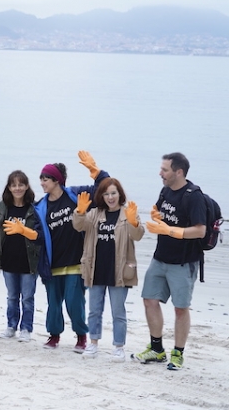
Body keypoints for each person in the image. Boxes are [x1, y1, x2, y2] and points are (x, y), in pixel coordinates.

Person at [29, 151, 110, 352]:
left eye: (45, 178)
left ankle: (81, 336)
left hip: (76, 261)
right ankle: (54, 336)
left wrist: (95, 170)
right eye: (41, 178)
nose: (42, 182)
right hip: (52, 263)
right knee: (54, 305)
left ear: (57, 180)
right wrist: (26, 233)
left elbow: (105, 189)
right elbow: (39, 236)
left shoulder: (76, 195)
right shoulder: (40, 207)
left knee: (75, 302)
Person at [133, 153, 206, 371]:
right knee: (149, 300)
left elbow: (200, 231)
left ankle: (178, 353)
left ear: (179, 172)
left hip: (183, 263)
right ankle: (157, 349)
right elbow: (161, 215)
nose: (160, 173)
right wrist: (157, 218)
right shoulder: (165, 191)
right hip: (160, 257)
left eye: (165, 170)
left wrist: (169, 230)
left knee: (180, 309)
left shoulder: (194, 196)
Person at [72, 178, 144, 361]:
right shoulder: (95, 214)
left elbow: (138, 236)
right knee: (94, 310)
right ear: (101, 196)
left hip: (118, 271)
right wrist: (80, 211)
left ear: (120, 194)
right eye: (106, 193)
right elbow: (78, 225)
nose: (110, 197)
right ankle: (93, 343)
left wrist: (133, 222)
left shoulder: (127, 213)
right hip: (96, 269)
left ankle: (118, 347)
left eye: (114, 193)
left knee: (118, 312)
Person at [0, 170, 40, 343]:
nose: (17, 188)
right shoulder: (3, 207)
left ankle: (26, 328)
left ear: (27, 186)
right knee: (12, 296)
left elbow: (38, 234)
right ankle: (11, 326)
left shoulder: (34, 208)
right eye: (14, 185)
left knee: (27, 297)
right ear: (9, 187)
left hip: (28, 260)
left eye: (21, 184)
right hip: (8, 259)